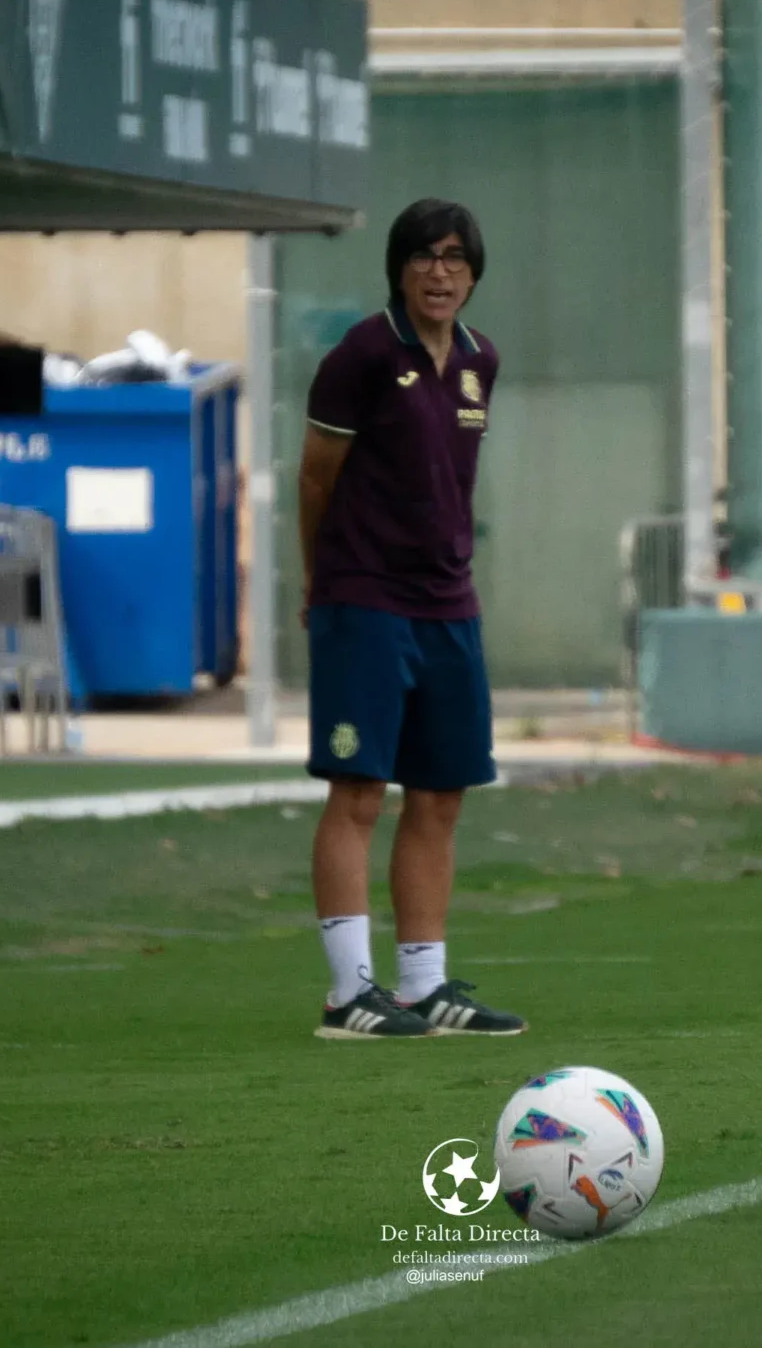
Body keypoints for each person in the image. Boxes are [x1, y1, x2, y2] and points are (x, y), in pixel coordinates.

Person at [295, 199, 525, 1041]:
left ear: (474, 272)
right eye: (425, 257)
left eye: (457, 258)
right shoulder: (360, 354)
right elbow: (315, 479)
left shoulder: (479, 361)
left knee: (440, 796)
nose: (441, 272)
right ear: (398, 267)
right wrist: (320, 582)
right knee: (358, 791)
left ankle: (423, 986)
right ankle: (348, 992)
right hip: (364, 601)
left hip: (448, 606)